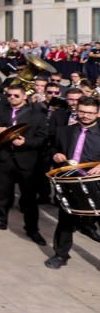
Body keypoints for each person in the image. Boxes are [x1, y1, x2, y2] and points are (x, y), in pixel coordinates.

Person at [0, 84, 48, 245]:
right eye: (9, 95)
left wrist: (26, 143)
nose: (12, 98)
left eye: (16, 95)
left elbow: (42, 138)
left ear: (25, 96)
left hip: (26, 161)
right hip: (4, 159)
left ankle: (32, 229)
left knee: (29, 198)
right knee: (2, 194)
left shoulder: (37, 114)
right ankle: (0, 221)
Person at [45, 96, 100, 269]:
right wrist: (55, 155)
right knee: (65, 220)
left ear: (98, 113)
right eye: (82, 111)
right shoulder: (65, 131)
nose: (85, 116)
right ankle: (60, 255)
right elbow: (52, 148)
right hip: (69, 182)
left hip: (96, 184)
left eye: (90, 113)